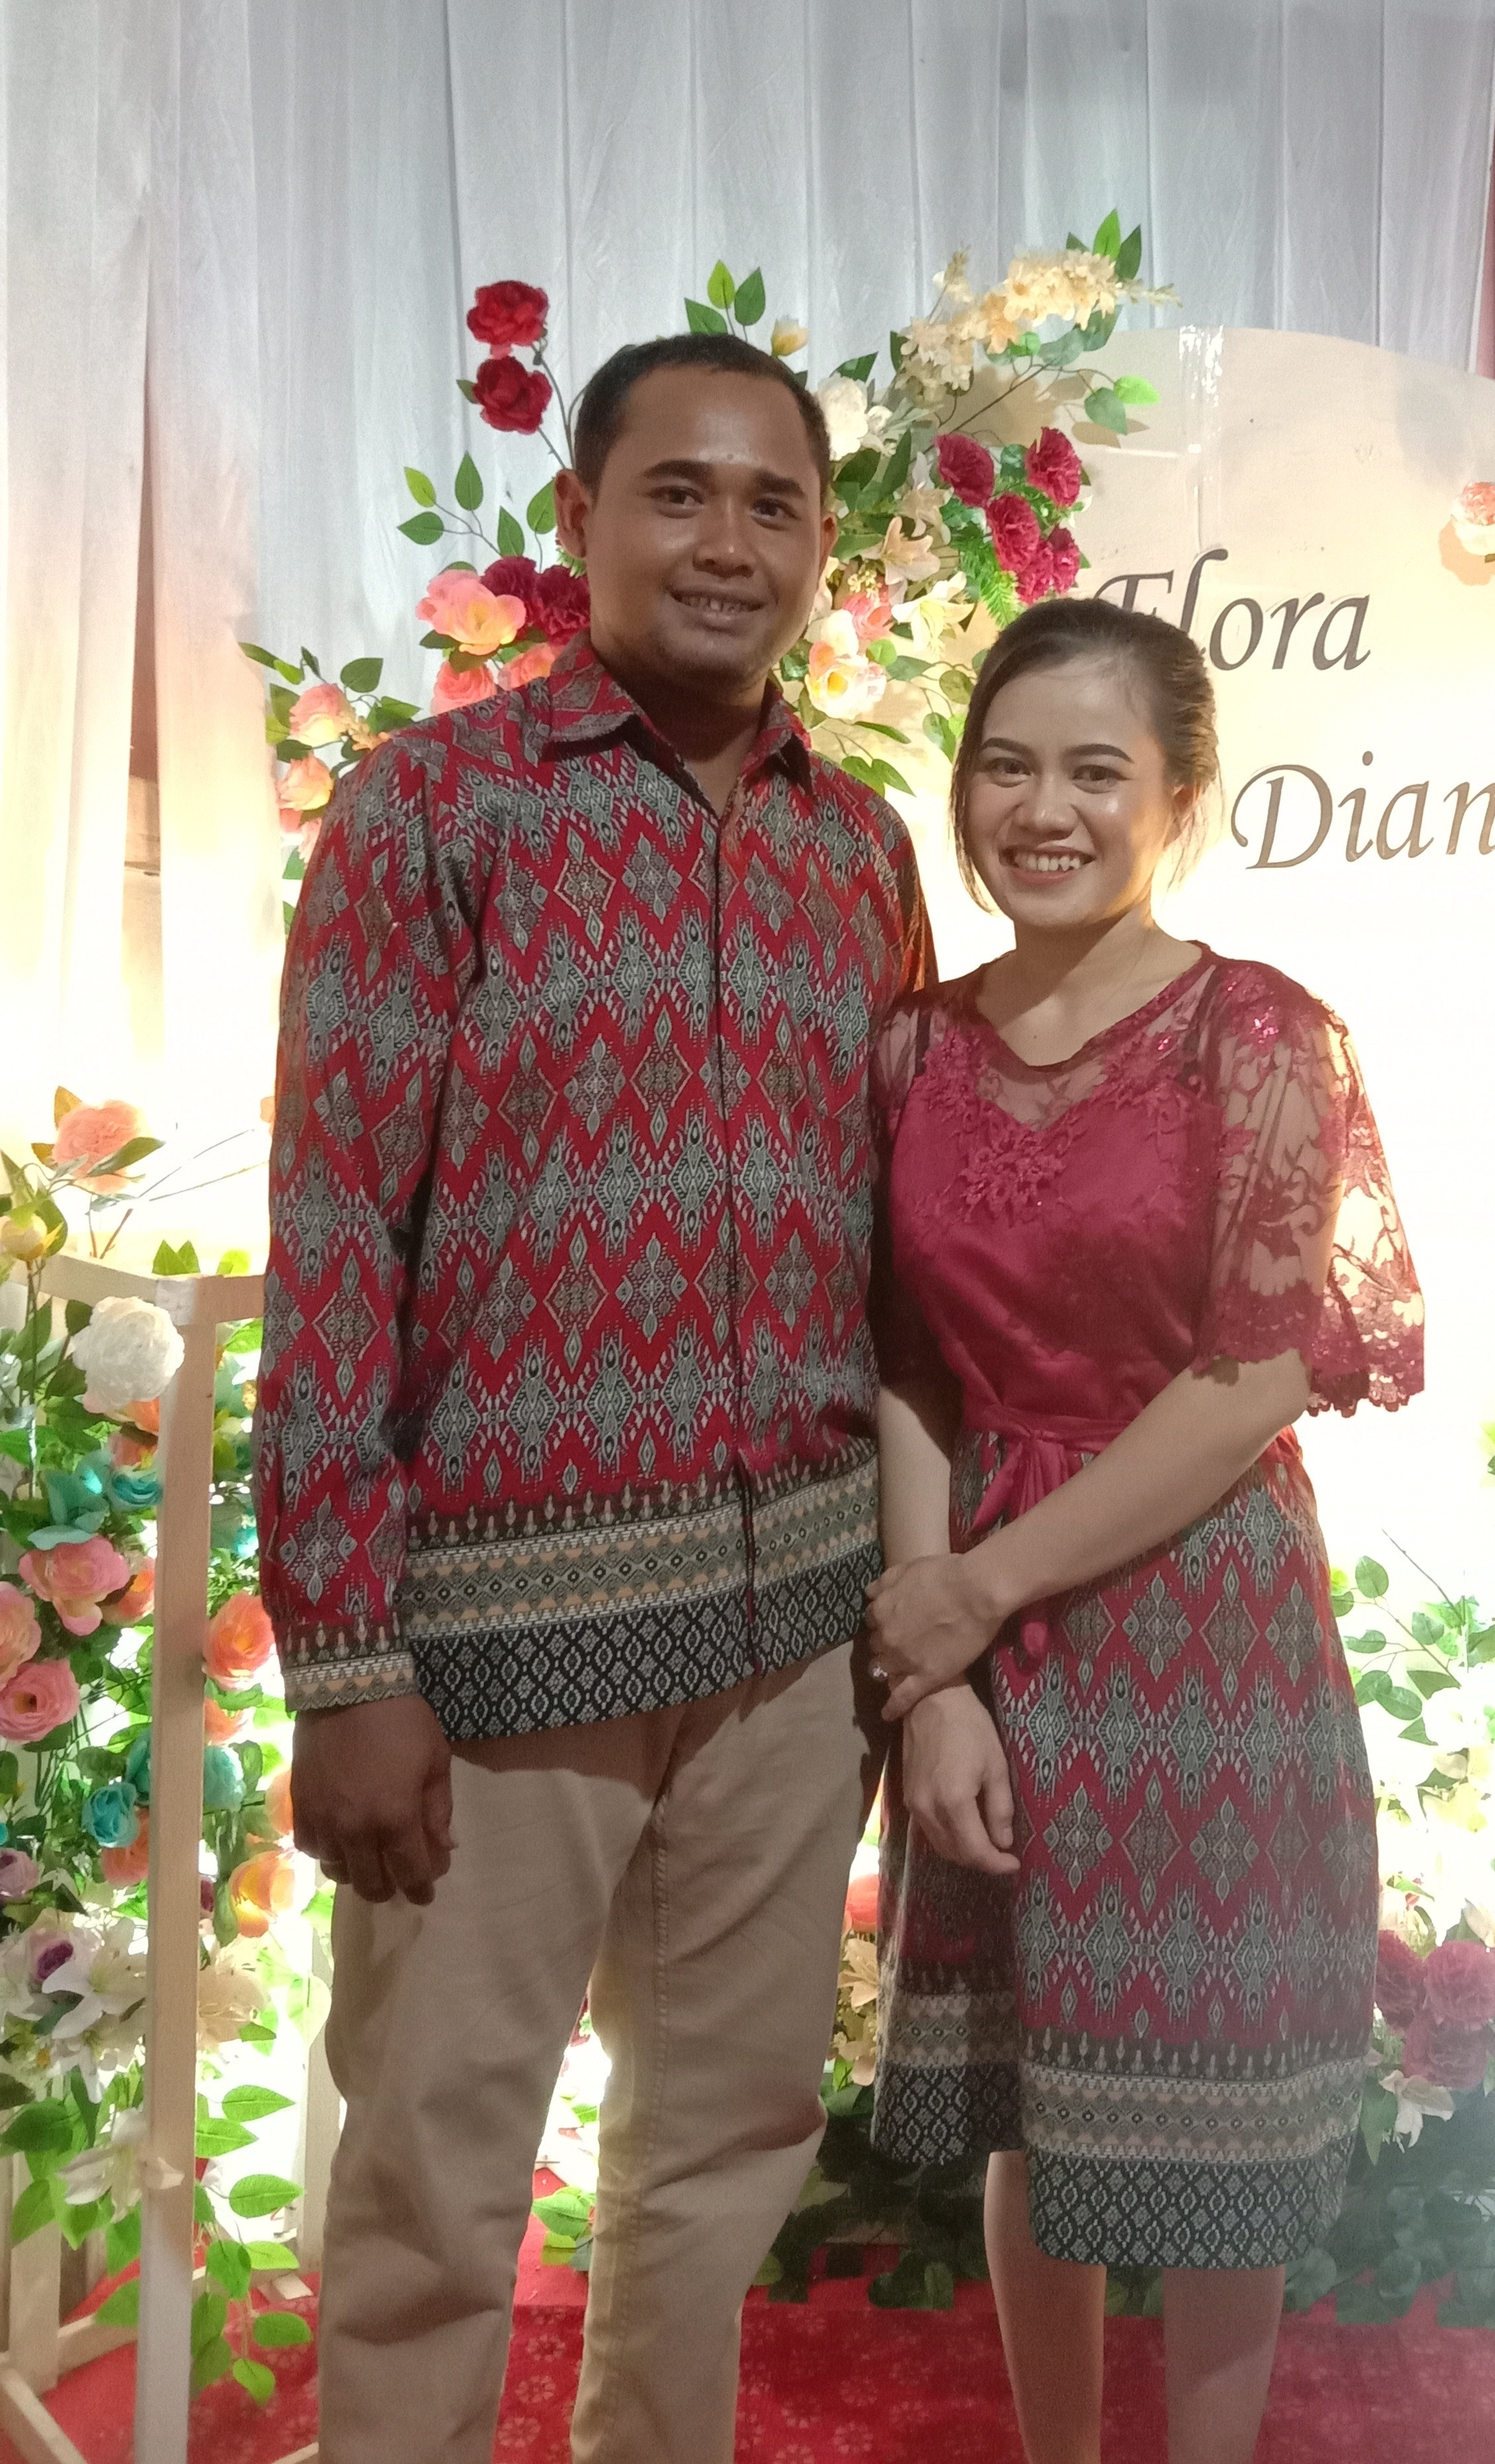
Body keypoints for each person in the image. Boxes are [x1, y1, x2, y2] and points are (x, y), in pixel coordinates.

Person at [253, 333, 931, 2464]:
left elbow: (900, 1243)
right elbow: (335, 1239)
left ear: (822, 545)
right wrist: (348, 1664)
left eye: (774, 503)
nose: (729, 542)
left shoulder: (862, 845)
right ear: (582, 520)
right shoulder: (433, 809)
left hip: (791, 1648)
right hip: (490, 1662)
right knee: (435, 2179)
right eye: (680, 492)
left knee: (722, 2158)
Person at [862, 597, 1423, 2464]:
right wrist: (934, 1670)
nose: (1045, 810)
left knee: (1212, 2121)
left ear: (1181, 799)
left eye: (1096, 772)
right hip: (976, 1610)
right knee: (1036, 2101)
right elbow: (909, 1360)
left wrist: (975, 1592)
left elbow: (1254, 1377)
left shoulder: (1257, 1034)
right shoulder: (914, 1046)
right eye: (1006, 767)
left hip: (1201, 1616)